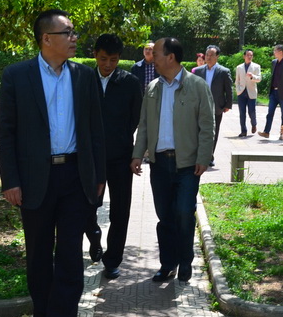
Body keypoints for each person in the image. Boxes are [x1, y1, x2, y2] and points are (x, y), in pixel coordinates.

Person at [0, 9, 106, 317]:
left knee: (70, 257)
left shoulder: (84, 76)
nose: (74, 38)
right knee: (39, 256)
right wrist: (10, 181)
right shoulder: (17, 76)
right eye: (67, 32)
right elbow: (6, 132)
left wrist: (98, 176)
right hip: (34, 180)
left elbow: (96, 130)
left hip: (75, 177)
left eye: (73, 32)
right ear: (46, 39)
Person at [130, 37, 214, 283]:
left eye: (156, 53)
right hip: (159, 163)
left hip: (187, 164)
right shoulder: (153, 88)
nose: (152, 57)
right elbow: (144, 124)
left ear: (170, 57)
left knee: (184, 213)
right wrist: (138, 153)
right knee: (165, 216)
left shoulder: (197, 86)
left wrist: (203, 157)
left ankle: (185, 261)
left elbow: (207, 125)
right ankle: (168, 264)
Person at [91, 33, 142, 280]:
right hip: (90, 158)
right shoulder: (84, 80)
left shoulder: (130, 82)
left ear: (119, 58)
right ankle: (94, 237)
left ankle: (112, 260)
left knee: (120, 211)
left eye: (113, 60)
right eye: (103, 59)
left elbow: (136, 117)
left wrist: (122, 139)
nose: (108, 64)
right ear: (95, 55)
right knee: (87, 207)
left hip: (121, 157)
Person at [193, 45, 232, 166]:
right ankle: (197, 155)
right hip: (199, 107)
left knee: (213, 132)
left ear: (217, 56)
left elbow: (229, 90)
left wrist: (228, 104)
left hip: (216, 107)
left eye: (211, 55)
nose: (208, 57)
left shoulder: (223, 72)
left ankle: (209, 156)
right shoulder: (198, 71)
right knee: (197, 131)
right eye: (207, 55)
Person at [258, 44, 283, 139]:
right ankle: (266, 132)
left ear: (281, 52)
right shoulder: (274, 62)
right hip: (273, 92)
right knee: (270, 113)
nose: (274, 53)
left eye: (275, 51)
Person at [235, 49, 262, 137]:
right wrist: (238, 89)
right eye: (247, 55)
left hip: (251, 92)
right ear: (244, 56)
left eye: (251, 55)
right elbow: (237, 80)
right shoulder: (239, 67)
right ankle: (243, 131)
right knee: (242, 113)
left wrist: (252, 76)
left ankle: (254, 124)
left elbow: (259, 79)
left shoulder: (256, 66)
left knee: (252, 111)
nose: (249, 57)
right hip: (241, 92)